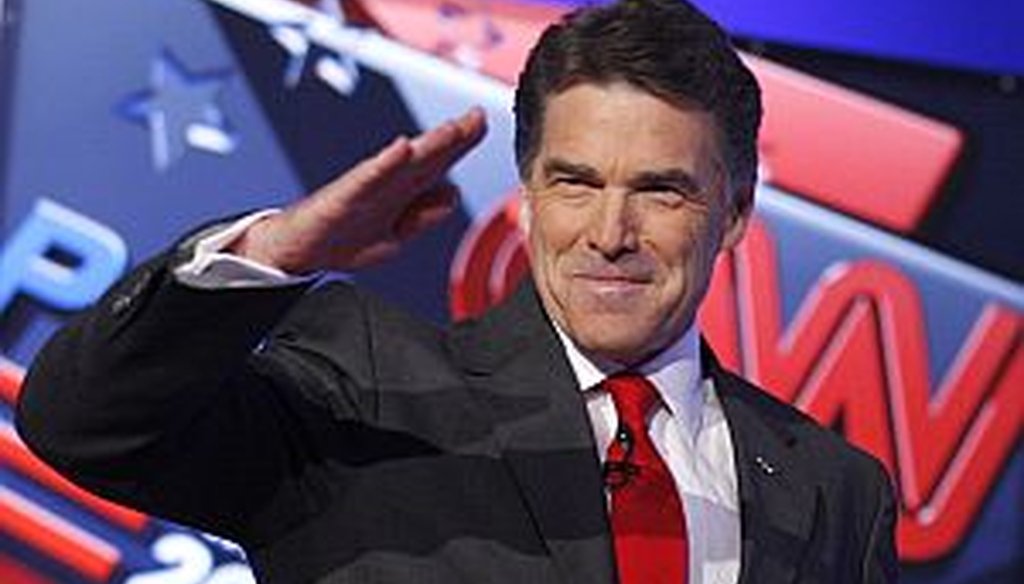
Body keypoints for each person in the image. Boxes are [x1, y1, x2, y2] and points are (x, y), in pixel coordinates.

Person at [16, 1, 897, 582]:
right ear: (525, 195)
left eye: (661, 190)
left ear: (735, 213)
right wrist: (273, 252)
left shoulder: (833, 489)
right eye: (576, 183)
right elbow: (84, 425)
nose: (609, 232)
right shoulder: (366, 388)